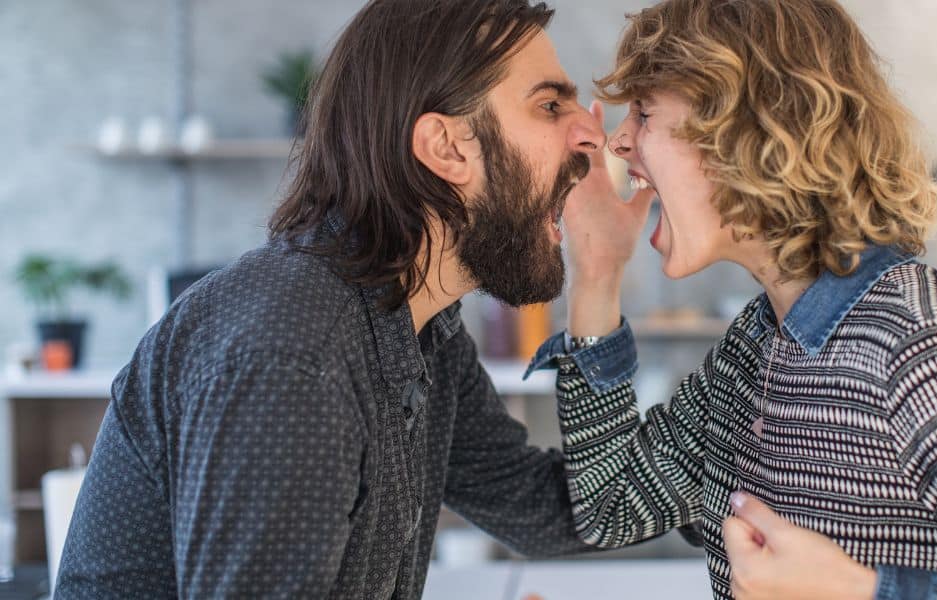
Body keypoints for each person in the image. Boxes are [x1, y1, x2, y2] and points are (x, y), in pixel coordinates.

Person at [529, 0, 937, 598]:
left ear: (746, 130)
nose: (618, 142)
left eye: (643, 112)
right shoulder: (758, 348)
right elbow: (611, 501)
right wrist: (598, 270)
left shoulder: (924, 346)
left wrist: (864, 592)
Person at [56, 0, 606, 597]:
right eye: (550, 106)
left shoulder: (421, 326)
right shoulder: (296, 355)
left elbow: (557, 509)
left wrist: (605, 274)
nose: (593, 133)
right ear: (446, 147)